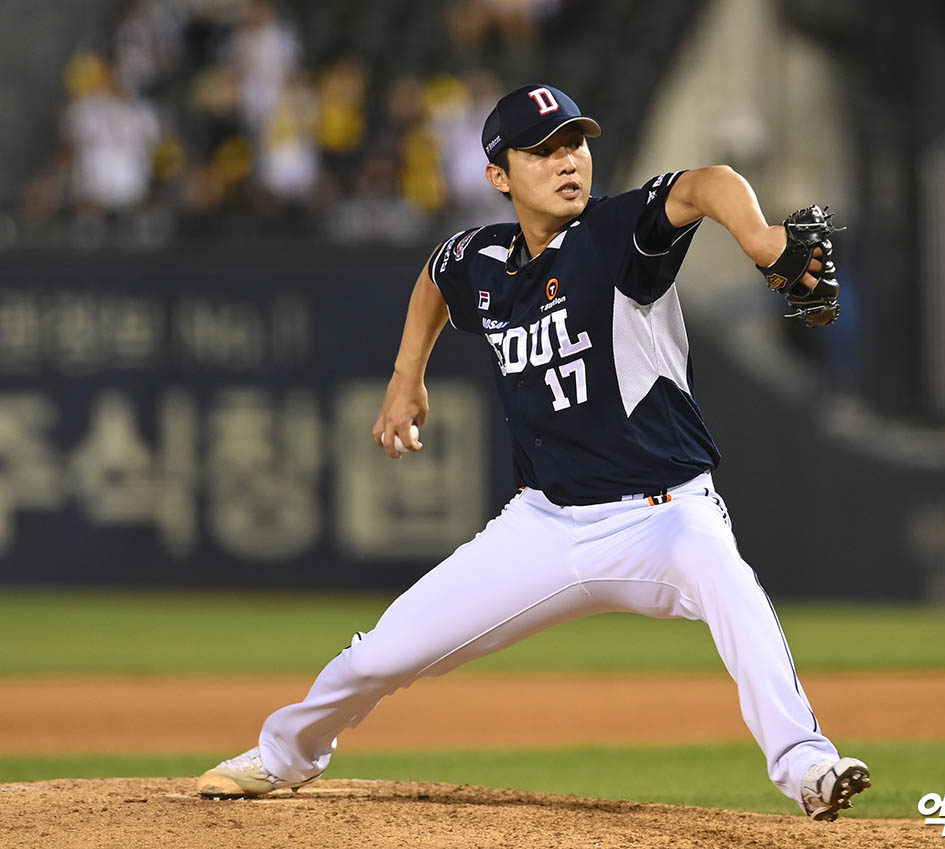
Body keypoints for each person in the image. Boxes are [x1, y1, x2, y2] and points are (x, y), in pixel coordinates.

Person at [197, 83, 869, 821]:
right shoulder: (482, 259)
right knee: (383, 651)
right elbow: (435, 275)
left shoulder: (617, 235)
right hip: (544, 525)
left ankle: (808, 766)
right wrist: (404, 377)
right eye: (542, 150)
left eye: (575, 143)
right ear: (499, 174)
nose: (567, 161)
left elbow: (704, 185)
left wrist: (762, 236)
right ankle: (284, 753)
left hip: (664, 518)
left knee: (731, 586)